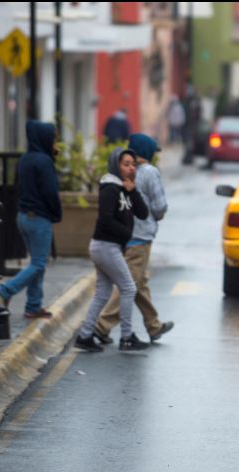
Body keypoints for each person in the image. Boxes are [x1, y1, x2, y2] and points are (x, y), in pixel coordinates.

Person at [93, 134, 174, 345]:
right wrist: (158, 215)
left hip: (125, 234)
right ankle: (101, 326)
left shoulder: (122, 171)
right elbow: (159, 206)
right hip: (141, 236)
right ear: (147, 152)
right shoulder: (150, 172)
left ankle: (153, 325)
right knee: (130, 284)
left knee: (140, 281)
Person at [75, 148, 150, 353]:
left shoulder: (125, 188)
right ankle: (126, 337)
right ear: (116, 165)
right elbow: (106, 219)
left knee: (103, 293)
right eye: (126, 164)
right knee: (128, 288)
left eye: (133, 164)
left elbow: (143, 214)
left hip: (108, 247)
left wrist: (133, 191)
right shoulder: (109, 187)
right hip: (105, 246)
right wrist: (126, 235)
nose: (131, 167)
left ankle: (85, 335)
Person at [0, 121, 62, 319]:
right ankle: (6, 290)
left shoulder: (26, 159)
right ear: (44, 139)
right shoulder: (44, 161)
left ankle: (33, 306)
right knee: (39, 264)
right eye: (53, 139)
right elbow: (50, 192)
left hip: (23, 217)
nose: (55, 143)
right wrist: (57, 213)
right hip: (39, 219)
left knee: (36, 263)